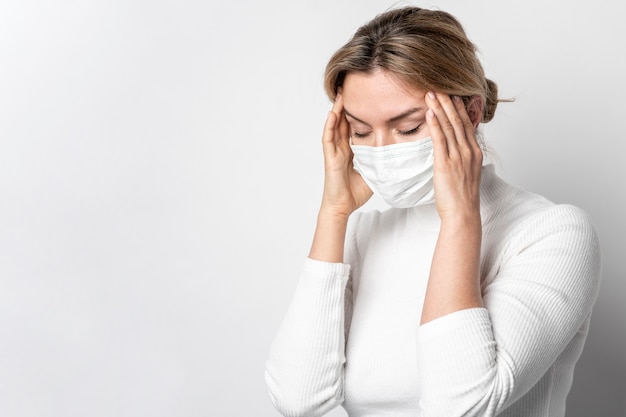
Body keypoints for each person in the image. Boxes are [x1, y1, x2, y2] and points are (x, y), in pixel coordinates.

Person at [264, 6, 601, 417]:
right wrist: (334, 213)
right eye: (360, 131)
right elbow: (297, 403)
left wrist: (459, 218)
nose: (383, 148)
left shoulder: (552, 233)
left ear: (471, 113)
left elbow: (460, 405)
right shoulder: (361, 234)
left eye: (408, 128)